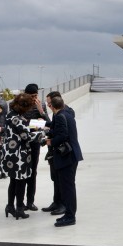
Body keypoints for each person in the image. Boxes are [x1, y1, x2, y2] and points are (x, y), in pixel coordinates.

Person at [1, 93, 46, 220]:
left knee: (13, 181)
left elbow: (25, 126)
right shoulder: (18, 119)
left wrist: (40, 125)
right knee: (21, 181)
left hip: (10, 153)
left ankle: (10, 206)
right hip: (19, 154)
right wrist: (42, 135)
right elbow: (26, 136)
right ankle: (20, 208)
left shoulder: (11, 115)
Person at [46, 95, 83, 227]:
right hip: (72, 155)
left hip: (67, 157)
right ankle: (69, 213)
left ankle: (70, 216)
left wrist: (50, 141)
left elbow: (63, 135)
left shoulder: (61, 116)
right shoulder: (67, 114)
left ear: (52, 106)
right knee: (68, 187)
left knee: (67, 188)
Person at [22, 83, 50, 211]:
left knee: (33, 172)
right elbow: (21, 126)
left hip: (34, 144)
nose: (34, 98)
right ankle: (20, 202)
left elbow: (47, 124)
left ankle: (30, 201)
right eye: (31, 96)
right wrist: (35, 124)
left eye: (35, 95)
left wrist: (41, 112)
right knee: (21, 174)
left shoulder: (41, 105)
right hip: (22, 144)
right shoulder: (20, 105)